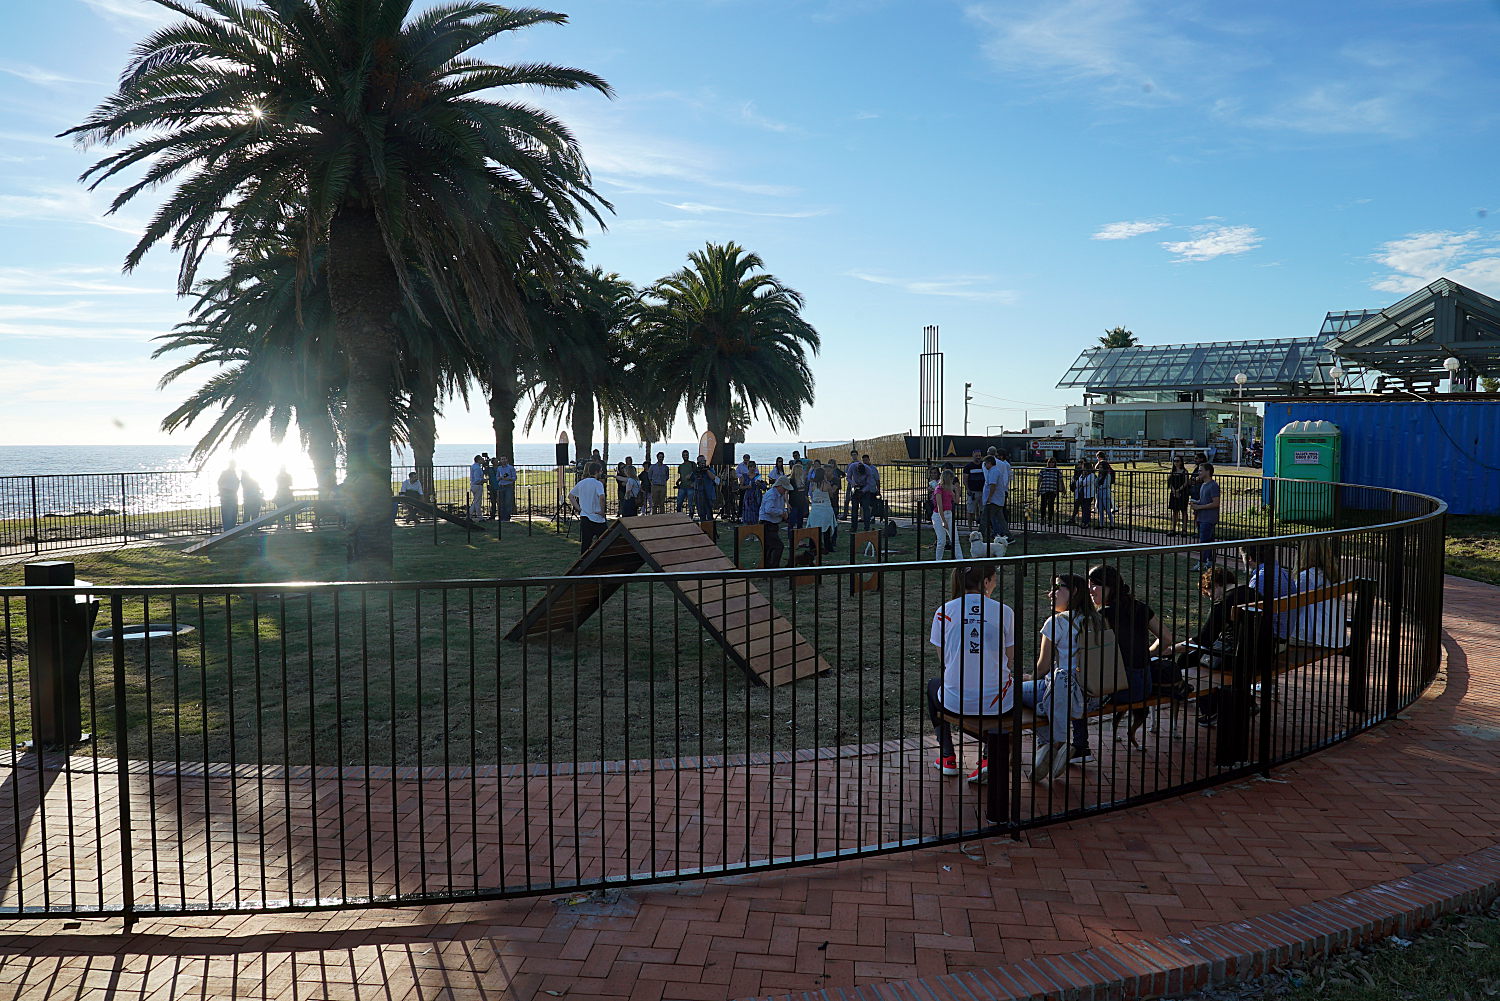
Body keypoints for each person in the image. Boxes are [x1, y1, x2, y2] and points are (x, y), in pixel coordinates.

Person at [927, 562, 1016, 781]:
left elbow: (944, 659)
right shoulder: (1004, 611)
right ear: (985, 582)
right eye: (994, 579)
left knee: (933, 686)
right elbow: (1010, 659)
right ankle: (988, 757)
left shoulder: (944, 611)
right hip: (998, 702)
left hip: (955, 700)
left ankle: (947, 756)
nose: (995, 584)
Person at [1083, 565, 1174, 755]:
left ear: (1109, 587)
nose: (1090, 590)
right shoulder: (1140, 607)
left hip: (1119, 689)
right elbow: (1166, 639)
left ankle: (1079, 746)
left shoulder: (1103, 616)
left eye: (1094, 585)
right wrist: (1147, 653)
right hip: (1144, 685)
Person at [1021, 573, 1104, 779]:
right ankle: (1054, 746)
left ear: (1073, 591)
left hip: (1066, 690)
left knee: (1014, 691)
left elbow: (1043, 666)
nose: (1051, 593)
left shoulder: (1056, 622)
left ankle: (1048, 744)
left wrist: (1030, 679)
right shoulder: (1097, 619)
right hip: (1093, 695)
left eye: (1057, 588)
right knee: (1044, 695)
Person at [1165, 566, 1260, 730]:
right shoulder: (1251, 592)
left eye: (1208, 592)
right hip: (1261, 651)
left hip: (1236, 656)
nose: (1209, 597)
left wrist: (1170, 649)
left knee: (1189, 658)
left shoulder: (1223, 604)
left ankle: (1211, 710)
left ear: (1215, 585)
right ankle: (1247, 701)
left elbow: (1203, 639)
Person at [1290, 536, 1349, 648]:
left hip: (1312, 637)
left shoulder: (1306, 576)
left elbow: (1294, 606)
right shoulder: (1331, 575)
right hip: (1336, 636)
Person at [1240, 543, 1296, 640]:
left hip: (1270, 635)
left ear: (1249, 558)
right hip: (1285, 631)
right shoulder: (1284, 573)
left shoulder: (1259, 579)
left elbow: (1249, 613)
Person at [568, 461, 608, 552]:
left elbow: (570, 496)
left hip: (585, 516)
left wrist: (578, 508)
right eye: (601, 471)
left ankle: (583, 563)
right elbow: (602, 498)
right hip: (597, 517)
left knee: (586, 543)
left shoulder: (581, 483)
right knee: (605, 541)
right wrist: (602, 511)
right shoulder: (598, 484)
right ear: (597, 472)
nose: (601, 473)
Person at [1188, 463, 1220, 570]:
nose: (1199, 472)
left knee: (1204, 542)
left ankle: (1201, 564)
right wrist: (1195, 502)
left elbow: (1216, 503)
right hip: (1202, 518)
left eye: (1201, 470)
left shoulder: (1213, 485)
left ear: (1208, 471)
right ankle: (1210, 562)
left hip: (1209, 519)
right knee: (1209, 542)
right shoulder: (1203, 485)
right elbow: (1203, 501)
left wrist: (1199, 507)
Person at [758, 475, 790, 568]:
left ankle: (768, 567)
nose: (785, 490)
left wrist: (784, 512)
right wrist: (782, 513)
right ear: (779, 486)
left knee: (770, 547)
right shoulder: (771, 494)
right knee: (777, 546)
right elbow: (769, 509)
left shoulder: (778, 495)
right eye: (784, 488)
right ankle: (773, 568)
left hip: (772, 524)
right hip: (767, 523)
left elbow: (778, 507)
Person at [931, 469, 963, 561]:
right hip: (939, 516)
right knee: (942, 541)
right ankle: (938, 561)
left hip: (949, 514)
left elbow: (956, 501)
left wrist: (957, 491)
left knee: (955, 540)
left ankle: (961, 560)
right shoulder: (939, 489)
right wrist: (943, 521)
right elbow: (939, 506)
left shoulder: (949, 489)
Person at [806, 467, 838, 553]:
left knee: (814, 527)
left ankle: (813, 545)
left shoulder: (813, 484)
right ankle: (828, 546)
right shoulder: (826, 484)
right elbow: (831, 494)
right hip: (825, 507)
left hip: (816, 508)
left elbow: (811, 494)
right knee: (826, 528)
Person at [690, 455, 719, 522]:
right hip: (699, 495)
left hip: (708, 495)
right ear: (698, 463)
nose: (702, 463)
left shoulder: (710, 469)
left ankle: (711, 529)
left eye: (704, 461)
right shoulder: (696, 471)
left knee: (709, 514)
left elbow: (714, 478)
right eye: (701, 462)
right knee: (701, 514)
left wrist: (706, 470)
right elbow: (690, 478)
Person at [1167, 457, 1191, 535]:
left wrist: (1178, 490)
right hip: (1173, 493)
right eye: (1174, 461)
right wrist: (1173, 490)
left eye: (1177, 461)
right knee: (1174, 511)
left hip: (1183, 493)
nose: (1176, 462)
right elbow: (1169, 482)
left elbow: (1186, 483)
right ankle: (1173, 529)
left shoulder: (1185, 471)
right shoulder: (1172, 472)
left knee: (1183, 511)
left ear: (1181, 462)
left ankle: (1184, 530)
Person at [962, 450, 985, 527]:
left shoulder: (983, 465)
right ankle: (970, 528)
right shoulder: (968, 467)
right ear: (973, 456)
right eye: (976, 456)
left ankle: (982, 527)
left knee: (983, 510)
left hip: (983, 491)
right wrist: (968, 489)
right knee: (970, 511)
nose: (978, 457)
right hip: (973, 492)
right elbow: (965, 479)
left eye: (979, 456)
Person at [1036, 456, 1062, 525]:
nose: (1051, 464)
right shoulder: (1043, 470)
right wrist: (1038, 490)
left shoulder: (1057, 471)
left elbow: (1060, 480)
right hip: (1044, 489)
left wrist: (1062, 489)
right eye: (1050, 462)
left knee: (1051, 505)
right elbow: (1039, 480)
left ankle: (1050, 520)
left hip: (1053, 490)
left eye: (1053, 462)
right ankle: (1042, 518)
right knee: (1043, 505)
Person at [788, 453, 809, 530]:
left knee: (800, 519)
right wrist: (787, 503)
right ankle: (791, 534)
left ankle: (799, 534)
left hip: (801, 502)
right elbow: (787, 492)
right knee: (792, 520)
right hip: (794, 502)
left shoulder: (803, 480)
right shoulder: (791, 480)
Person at [217, 462, 239, 533]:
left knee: (233, 515)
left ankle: (231, 531)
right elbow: (219, 482)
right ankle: (227, 532)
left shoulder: (234, 473)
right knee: (227, 515)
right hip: (227, 496)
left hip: (233, 495)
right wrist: (222, 491)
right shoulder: (225, 473)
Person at [493, 455, 517, 521]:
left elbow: (514, 478)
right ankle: (501, 517)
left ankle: (507, 517)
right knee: (501, 502)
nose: (503, 461)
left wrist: (508, 479)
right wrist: (500, 478)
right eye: (502, 459)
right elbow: (497, 478)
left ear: (507, 460)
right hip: (501, 486)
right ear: (500, 460)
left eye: (504, 459)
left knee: (507, 502)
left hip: (508, 486)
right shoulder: (499, 468)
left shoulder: (511, 468)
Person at [1073, 462, 1097, 527]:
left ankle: (1085, 522)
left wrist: (1081, 482)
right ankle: (1086, 521)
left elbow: (1085, 483)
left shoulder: (1092, 475)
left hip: (1088, 495)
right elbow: (1077, 483)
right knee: (1083, 508)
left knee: (1086, 508)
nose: (1083, 470)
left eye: (1084, 468)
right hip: (1081, 494)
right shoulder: (1082, 475)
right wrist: (1081, 481)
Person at [1095, 457, 1116, 528]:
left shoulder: (1107, 475)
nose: (1100, 469)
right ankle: (1101, 524)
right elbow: (1096, 483)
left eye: (1101, 467)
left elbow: (1105, 485)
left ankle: (1111, 523)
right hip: (1099, 492)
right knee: (1100, 509)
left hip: (1105, 492)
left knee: (1107, 509)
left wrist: (1099, 485)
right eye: (1099, 468)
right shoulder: (1099, 475)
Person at [468, 454, 486, 521]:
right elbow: (477, 479)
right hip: (477, 485)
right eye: (481, 459)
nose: (483, 460)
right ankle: (479, 517)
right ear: (478, 460)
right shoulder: (477, 468)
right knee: (477, 502)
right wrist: (484, 480)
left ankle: (469, 515)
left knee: (475, 501)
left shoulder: (474, 466)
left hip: (474, 485)